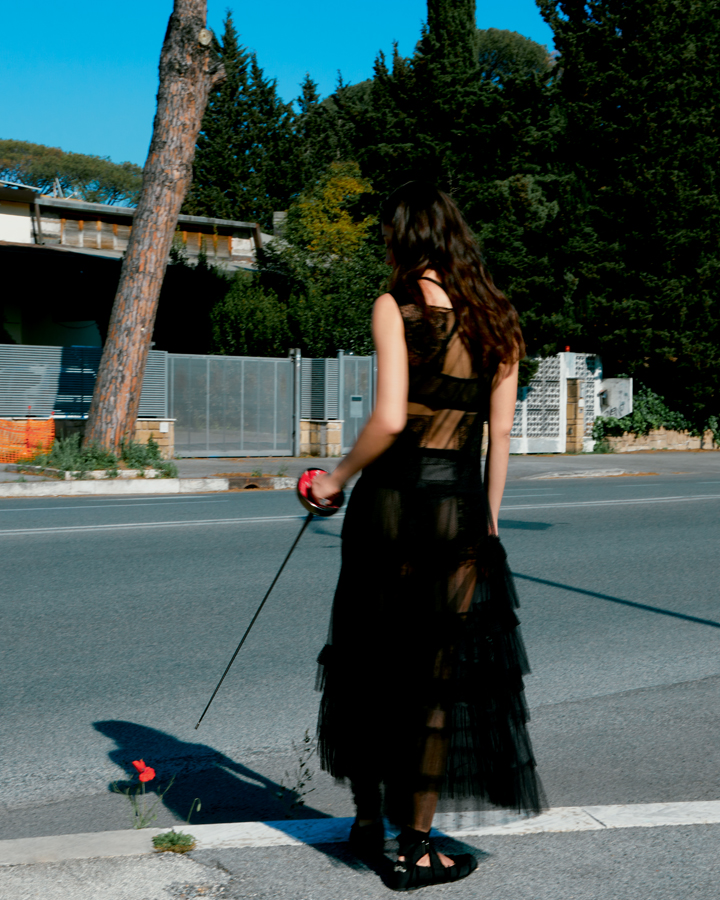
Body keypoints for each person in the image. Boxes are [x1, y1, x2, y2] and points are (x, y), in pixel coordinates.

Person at [311, 181, 545, 891]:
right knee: (435, 682)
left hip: (388, 504)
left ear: (402, 237)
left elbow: (387, 420)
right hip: (459, 508)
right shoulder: (501, 320)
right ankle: (414, 846)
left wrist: (336, 478)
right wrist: (490, 518)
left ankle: (365, 823)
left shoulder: (396, 307)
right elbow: (500, 434)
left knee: (370, 661)